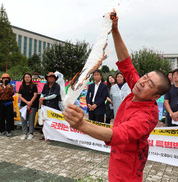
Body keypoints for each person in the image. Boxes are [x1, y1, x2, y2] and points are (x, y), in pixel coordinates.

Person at [63, 15, 171, 181]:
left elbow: (116, 134)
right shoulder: (139, 87)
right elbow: (126, 62)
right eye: (145, 77)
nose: (143, 82)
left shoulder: (147, 116)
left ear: (156, 96)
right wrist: (115, 30)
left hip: (129, 163)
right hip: (116, 154)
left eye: (150, 84)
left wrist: (80, 124)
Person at [19, 73, 38, 140]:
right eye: (26, 77)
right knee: (23, 120)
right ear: (24, 78)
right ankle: (24, 133)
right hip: (23, 106)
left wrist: (30, 103)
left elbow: (35, 95)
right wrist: (27, 103)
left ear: (31, 78)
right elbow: (20, 96)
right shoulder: (21, 86)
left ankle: (31, 133)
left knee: (31, 119)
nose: (27, 78)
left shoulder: (34, 86)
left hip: (32, 105)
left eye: (28, 77)